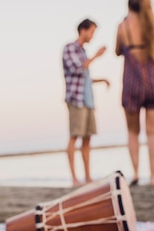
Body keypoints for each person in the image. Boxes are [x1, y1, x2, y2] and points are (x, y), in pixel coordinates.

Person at [115, 0, 154, 186]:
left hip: (131, 81)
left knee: (132, 132)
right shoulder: (152, 24)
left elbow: (117, 51)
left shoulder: (122, 26)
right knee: (153, 133)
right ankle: (153, 177)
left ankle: (136, 173)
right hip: (153, 80)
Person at [62, 18, 110, 187]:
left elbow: (85, 77)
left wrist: (101, 80)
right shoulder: (70, 49)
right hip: (76, 99)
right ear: (83, 30)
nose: (92, 36)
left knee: (88, 138)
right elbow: (77, 69)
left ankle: (88, 176)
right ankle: (74, 178)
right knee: (74, 136)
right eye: (92, 32)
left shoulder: (82, 52)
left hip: (88, 100)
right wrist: (96, 56)